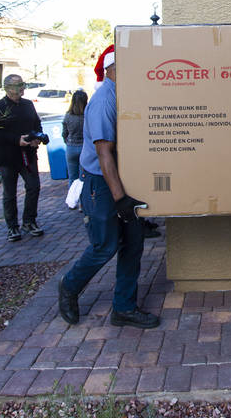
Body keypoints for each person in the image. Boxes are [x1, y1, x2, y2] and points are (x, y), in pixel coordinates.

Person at [58, 47, 159, 329]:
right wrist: (121, 199)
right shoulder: (105, 100)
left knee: (133, 244)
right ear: (113, 69)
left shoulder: (123, 95)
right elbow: (104, 153)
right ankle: (69, 286)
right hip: (102, 184)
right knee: (106, 246)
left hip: (121, 179)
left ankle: (124, 308)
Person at [0, 74, 45, 242]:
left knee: (34, 187)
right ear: (8, 88)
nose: (22, 88)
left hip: (28, 156)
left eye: (23, 84)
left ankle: (29, 221)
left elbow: (36, 124)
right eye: (18, 85)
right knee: (9, 193)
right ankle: (12, 226)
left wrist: (36, 138)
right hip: (7, 157)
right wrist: (15, 140)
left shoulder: (28, 105)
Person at [62, 89, 88, 188]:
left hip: (71, 148)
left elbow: (64, 133)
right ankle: (83, 201)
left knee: (72, 177)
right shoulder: (87, 115)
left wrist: (67, 141)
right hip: (84, 148)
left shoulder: (68, 116)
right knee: (83, 178)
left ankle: (72, 201)